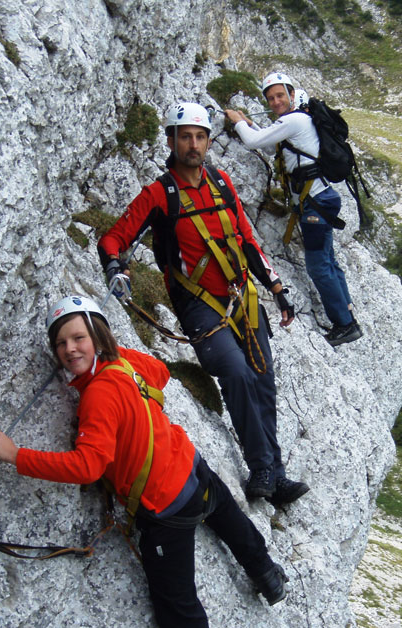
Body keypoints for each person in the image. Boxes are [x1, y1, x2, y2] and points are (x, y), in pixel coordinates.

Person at [0, 295, 288, 628]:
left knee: (177, 612)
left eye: (78, 338)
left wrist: (16, 455)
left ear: (97, 336)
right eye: (61, 343)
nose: (69, 349)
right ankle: (266, 572)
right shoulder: (122, 365)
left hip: (166, 511)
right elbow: (160, 373)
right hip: (192, 469)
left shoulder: (97, 396)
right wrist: (113, 352)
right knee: (228, 516)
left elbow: (87, 466)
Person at [97, 102, 309, 506]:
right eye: (185, 137)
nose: (193, 145)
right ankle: (262, 468)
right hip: (198, 305)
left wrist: (277, 288)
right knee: (235, 371)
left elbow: (247, 240)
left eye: (199, 137)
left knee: (262, 381)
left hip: (242, 297)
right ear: (172, 141)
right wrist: (114, 266)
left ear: (208, 142)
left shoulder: (222, 184)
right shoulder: (159, 195)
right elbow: (115, 237)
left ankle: (274, 476)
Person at [225, 73, 362, 347]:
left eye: (280, 96)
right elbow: (270, 137)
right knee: (329, 261)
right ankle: (347, 316)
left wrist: (239, 122)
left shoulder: (294, 119)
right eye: (270, 98)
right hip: (322, 198)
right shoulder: (297, 120)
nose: (275, 102)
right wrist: (251, 124)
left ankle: (344, 325)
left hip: (316, 202)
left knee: (318, 266)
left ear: (291, 94)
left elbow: (254, 142)